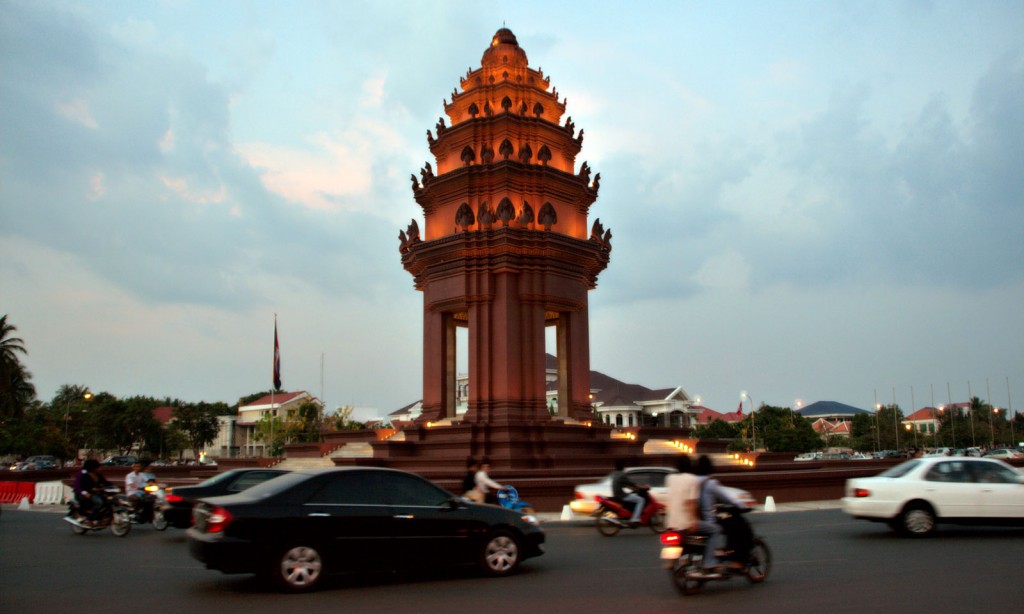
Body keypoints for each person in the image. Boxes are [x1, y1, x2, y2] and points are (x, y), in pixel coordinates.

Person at [695, 455, 751, 576]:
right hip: (708, 520)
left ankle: (721, 553)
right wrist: (742, 505)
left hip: (694, 519)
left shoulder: (691, 481)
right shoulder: (710, 483)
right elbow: (727, 498)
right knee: (737, 527)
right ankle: (734, 560)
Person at [70, 459, 112, 526]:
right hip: (84, 494)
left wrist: (113, 487)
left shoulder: (98, 475)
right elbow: (78, 486)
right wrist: (85, 493)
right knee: (99, 502)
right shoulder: (82, 474)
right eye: (97, 467)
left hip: (95, 493)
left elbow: (105, 482)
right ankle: (89, 519)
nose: (99, 468)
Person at [665, 454, 700, 534]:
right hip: (685, 524)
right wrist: (694, 521)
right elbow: (691, 503)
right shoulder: (692, 479)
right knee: (715, 529)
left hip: (671, 523)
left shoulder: (670, 478)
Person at [610, 459, 646, 526]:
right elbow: (631, 483)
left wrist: (632, 488)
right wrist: (641, 487)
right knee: (641, 500)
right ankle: (635, 519)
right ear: (622, 466)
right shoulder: (622, 474)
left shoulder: (615, 474)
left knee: (633, 497)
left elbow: (624, 484)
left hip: (616, 494)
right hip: (621, 495)